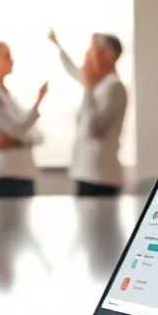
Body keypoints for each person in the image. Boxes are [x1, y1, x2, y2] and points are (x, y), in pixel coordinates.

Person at [49, 28, 129, 196]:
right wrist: (58, 46)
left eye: (92, 49)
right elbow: (74, 71)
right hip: (87, 174)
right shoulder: (99, 86)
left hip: (100, 178)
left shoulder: (114, 87)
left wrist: (88, 89)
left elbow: (93, 129)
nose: (87, 55)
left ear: (108, 55)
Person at [0, 42, 48, 198]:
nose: (12, 61)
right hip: (6, 175)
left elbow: (34, 133)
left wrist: (20, 139)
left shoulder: (7, 95)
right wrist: (38, 102)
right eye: (7, 56)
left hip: (22, 173)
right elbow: (18, 129)